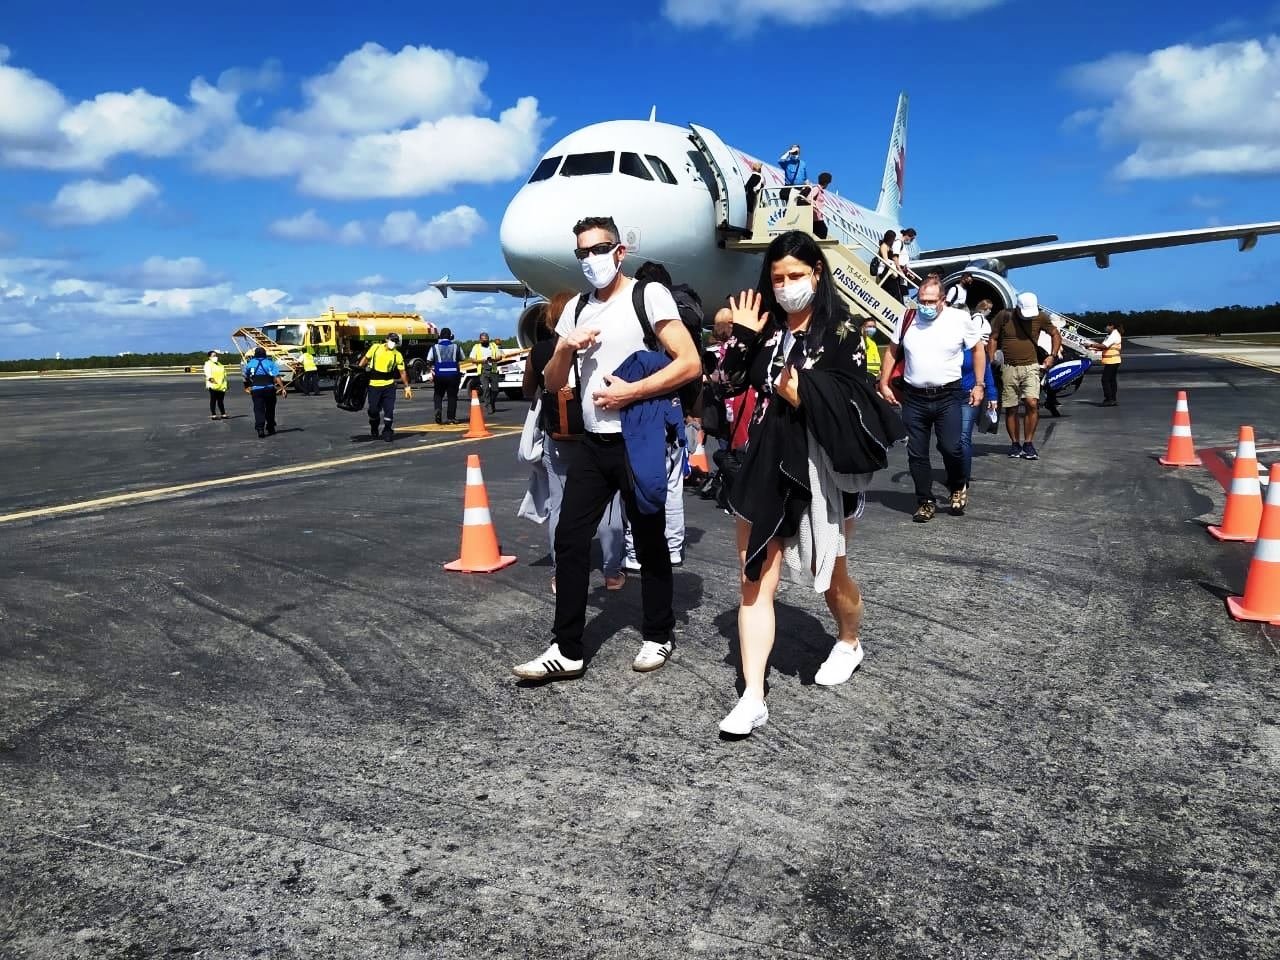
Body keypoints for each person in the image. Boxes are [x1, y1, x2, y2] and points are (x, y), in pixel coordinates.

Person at [717, 230, 903, 737]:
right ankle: (753, 695)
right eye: (777, 278)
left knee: (831, 574)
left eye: (795, 276)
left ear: (817, 274)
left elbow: (852, 394)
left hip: (819, 471)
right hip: (762, 467)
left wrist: (803, 390)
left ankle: (848, 640)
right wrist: (743, 339)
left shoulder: (840, 331)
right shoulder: (765, 328)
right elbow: (728, 387)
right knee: (754, 579)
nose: (785, 286)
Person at [511, 215, 701, 682]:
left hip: (637, 440)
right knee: (570, 539)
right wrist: (563, 350)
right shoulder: (576, 307)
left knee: (650, 541)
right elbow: (554, 384)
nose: (591, 259)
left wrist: (629, 394)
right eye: (582, 252)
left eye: (600, 249)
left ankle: (658, 633)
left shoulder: (646, 295)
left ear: (620, 252)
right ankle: (566, 648)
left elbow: (690, 362)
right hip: (592, 444)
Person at [522, 291, 627, 595]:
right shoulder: (601, 344)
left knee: (560, 508)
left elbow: (530, 389)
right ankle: (611, 572)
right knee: (610, 509)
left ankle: (560, 574)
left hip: (560, 438)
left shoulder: (540, 351)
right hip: (596, 434)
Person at [877, 274, 986, 522]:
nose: (925, 306)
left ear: (943, 300)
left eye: (930, 301)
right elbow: (893, 351)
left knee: (952, 446)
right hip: (914, 397)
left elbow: (978, 350)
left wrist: (979, 385)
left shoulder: (959, 319)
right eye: (921, 301)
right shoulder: (907, 318)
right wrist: (884, 383)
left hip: (948, 395)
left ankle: (958, 485)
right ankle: (925, 500)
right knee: (916, 453)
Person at [988, 291, 1061, 460]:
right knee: (1011, 408)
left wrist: (1053, 355)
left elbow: (1055, 334)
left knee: (1032, 403)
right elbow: (993, 337)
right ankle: (1015, 444)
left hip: (1031, 366)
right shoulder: (1004, 316)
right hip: (1009, 368)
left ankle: (1028, 443)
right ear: (1017, 308)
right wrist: (991, 360)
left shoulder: (1040, 317)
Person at [955, 300, 999, 511]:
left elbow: (986, 368)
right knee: (946, 442)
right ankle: (955, 471)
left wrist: (991, 393)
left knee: (963, 437)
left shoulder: (973, 342)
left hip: (968, 395)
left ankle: (961, 482)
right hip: (945, 396)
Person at [359, 331, 412, 442]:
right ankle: (374, 425)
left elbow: (402, 372)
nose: (393, 343)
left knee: (389, 410)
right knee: (373, 410)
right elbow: (366, 359)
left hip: (389, 386)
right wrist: (357, 370)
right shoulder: (376, 348)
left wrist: (407, 387)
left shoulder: (397, 355)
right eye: (392, 340)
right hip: (374, 385)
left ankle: (387, 430)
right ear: (386, 339)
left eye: (396, 342)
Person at [242, 346, 285, 439]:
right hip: (269, 388)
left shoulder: (250, 364)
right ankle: (270, 426)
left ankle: (260, 428)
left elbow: (245, 375)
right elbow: (277, 376)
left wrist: (247, 385)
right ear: (265, 354)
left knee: (258, 409)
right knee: (270, 408)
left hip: (256, 389)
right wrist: (283, 388)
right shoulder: (270, 363)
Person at [427, 328, 463, 424]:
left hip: (439, 375)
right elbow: (462, 358)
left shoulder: (435, 347)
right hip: (453, 374)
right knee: (452, 396)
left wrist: (431, 370)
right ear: (451, 336)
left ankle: (438, 409)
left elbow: (429, 360)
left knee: (438, 394)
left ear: (440, 336)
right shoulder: (456, 346)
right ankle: (451, 418)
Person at [1090, 320, 1123, 406]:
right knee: (1111, 380)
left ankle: (1109, 399)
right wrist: (1093, 348)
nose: (1105, 328)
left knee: (1105, 380)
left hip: (1112, 361)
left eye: (1106, 326)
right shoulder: (1111, 335)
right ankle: (1113, 399)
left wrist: (1091, 345)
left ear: (1111, 326)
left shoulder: (1113, 335)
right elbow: (1104, 347)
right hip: (1113, 360)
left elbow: (1104, 346)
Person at [469, 332, 502, 414]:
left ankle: (492, 402)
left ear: (488, 339)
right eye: (483, 339)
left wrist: (493, 359)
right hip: (483, 369)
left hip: (493, 369)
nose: (485, 341)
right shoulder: (476, 347)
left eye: (486, 339)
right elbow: (472, 360)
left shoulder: (493, 346)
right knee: (486, 388)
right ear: (480, 340)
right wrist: (481, 361)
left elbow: (499, 356)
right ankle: (488, 406)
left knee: (495, 389)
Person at [203, 349, 228, 420]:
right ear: (209, 357)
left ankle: (223, 414)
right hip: (213, 385)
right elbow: (208, 374)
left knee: (220, 400)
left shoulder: (220, 364)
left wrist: (226, 384)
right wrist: (213, 382)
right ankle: (213, 415)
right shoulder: (208, 364)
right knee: (213, 400)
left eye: (216, 355)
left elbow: (224, 375)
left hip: (221, 386)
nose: (215, 357)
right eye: (213, 356)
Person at [810, 172, 833, 239]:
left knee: (822, 230)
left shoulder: (820, 190)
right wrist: (815, 206)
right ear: (825, 183)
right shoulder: (816, 189)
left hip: (817, 217)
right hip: (816, 217)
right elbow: (809, 197)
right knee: (823, 230)